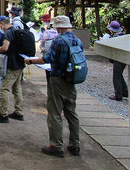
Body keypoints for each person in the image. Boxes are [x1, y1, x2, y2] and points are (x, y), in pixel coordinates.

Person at [24, 15, 82, 158]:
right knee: (71, 112)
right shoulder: (77, 40)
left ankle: (56, 145)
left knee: (55, 112)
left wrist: (31, 61)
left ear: (59, 27)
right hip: (72, 79)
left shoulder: (59, 41)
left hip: (58, 79)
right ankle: (75, 144)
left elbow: (47, 58)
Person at [0, 16, 25, 123]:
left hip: (12, 65)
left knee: (4, 89)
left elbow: (5, 48)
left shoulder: (8, 33)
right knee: (17, 88)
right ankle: (19, 112)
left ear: (2, 24)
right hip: (20, 63)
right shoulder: (17, 31)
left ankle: (3, 114)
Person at [106, 21, 127, 101]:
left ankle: (118, 95)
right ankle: (125, 92)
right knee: (119, 75)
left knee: (116, 77)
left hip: (118, 58)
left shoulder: (115, 38)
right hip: (124, 58)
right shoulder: (123, 36)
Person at [40, 13, 59, 82]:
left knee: (47, 61)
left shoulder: (46, 29)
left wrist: (41, 47)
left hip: (47, 46)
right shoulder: (56, 29)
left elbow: (43, 39)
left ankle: (49, 77)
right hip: (54, 45)